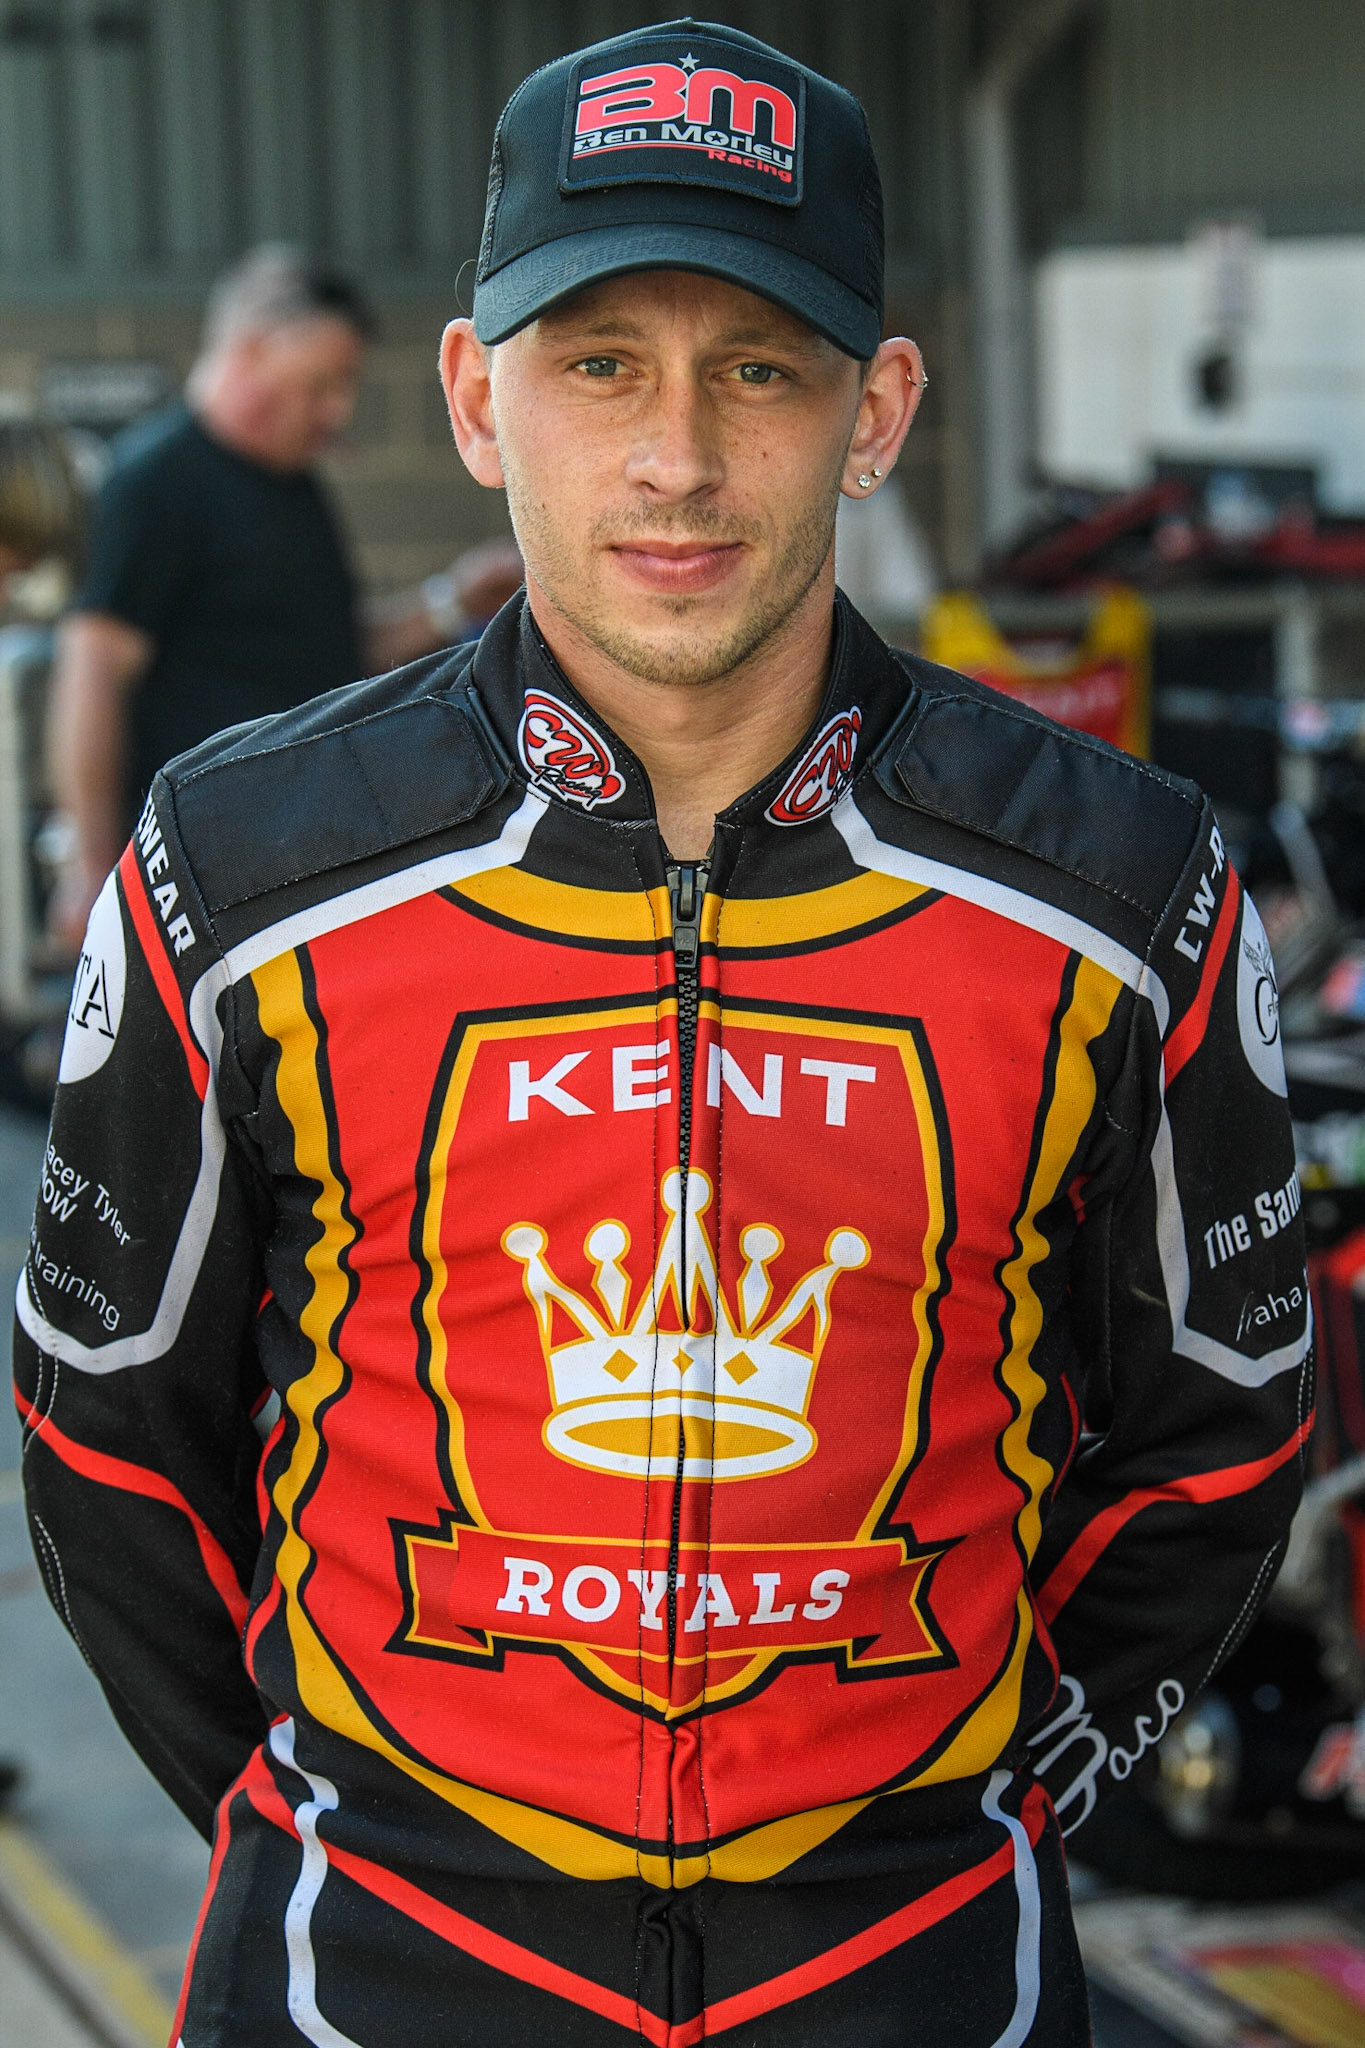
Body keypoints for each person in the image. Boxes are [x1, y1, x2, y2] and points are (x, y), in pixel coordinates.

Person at [13, 21, 1309, 2046]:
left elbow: (1222, 1420)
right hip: (375, 1970)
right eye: (597, 360)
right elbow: (106, 1430)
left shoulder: (1119, 886)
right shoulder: (236, 869)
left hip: (922, 1972)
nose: (678, 457)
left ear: (874, 410)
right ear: (472, 397)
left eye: (760, 369)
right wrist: (341, 1819)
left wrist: (1008, 1786)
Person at [47, 244, 522, 950]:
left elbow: (332, 648)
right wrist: (91, 871)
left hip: (294, 857)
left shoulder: (291, 485)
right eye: (323, 383)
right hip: (200, 876)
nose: (338, 410)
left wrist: (455, 598)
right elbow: (90, 669)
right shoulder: (157, 485)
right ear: (254, 351)